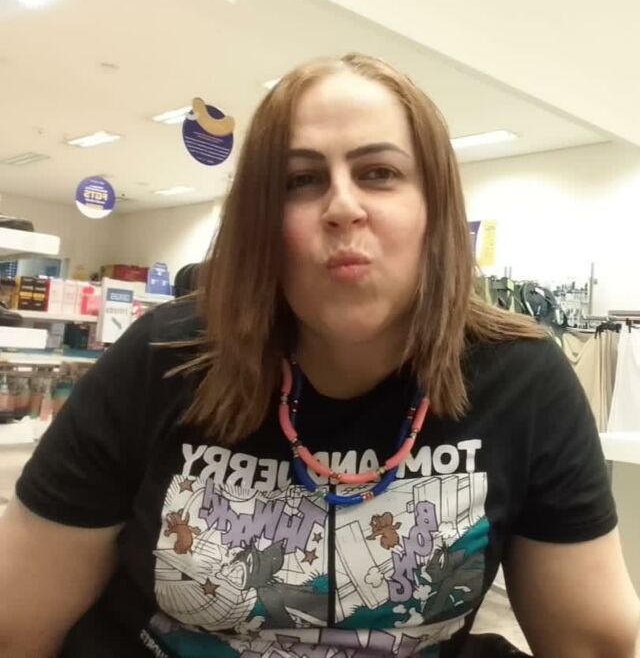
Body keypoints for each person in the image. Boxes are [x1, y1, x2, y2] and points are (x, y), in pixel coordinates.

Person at [0, 54, 638, 658]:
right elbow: (15, 626)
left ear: (435, 207)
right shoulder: (164, 356)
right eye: (300, 180)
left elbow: (594, 643)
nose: (342, 207)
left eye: (379, 172)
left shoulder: (522, 379)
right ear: (260, 219)